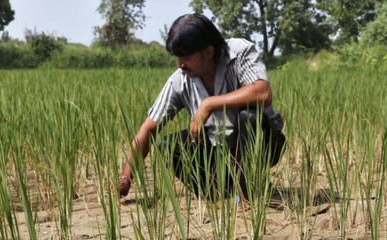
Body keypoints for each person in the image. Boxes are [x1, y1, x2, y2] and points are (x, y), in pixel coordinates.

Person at [117, 13, 285, 203]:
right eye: (178, 57)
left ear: (208, 52)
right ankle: (219, 193)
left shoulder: (239, 53)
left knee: (249, 117)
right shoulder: (180, 80)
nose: (181, 64)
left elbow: (263, 92)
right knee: (168, 146)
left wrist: (210, 103)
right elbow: (149, 128)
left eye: (186, 57)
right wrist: (126, 178)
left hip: (263, 142)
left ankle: (248, 194)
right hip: (219, 149)